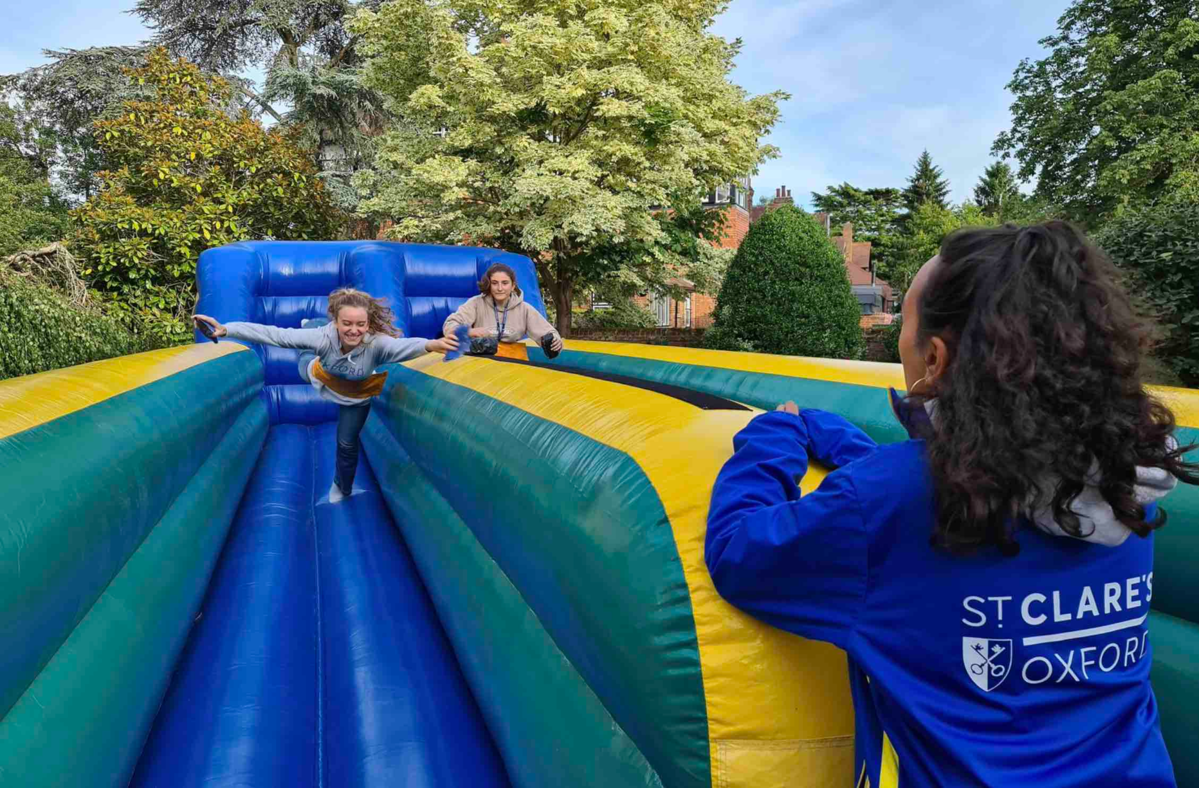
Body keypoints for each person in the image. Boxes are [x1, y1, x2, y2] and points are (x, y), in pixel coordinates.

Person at [705, 222, 1197, 787]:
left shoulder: (888, 501)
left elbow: (739, 550)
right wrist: (847, 445)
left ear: (935, 358)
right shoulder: (1126, 480)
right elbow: (968, 487)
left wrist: (774, 437)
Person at [194, 288, 458, 504]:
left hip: (354, 393)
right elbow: (275, 334)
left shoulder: (376, 344)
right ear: (336, 322)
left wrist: (431, 344)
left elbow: (404, 345)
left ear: (368, 324)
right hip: (321, 373)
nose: (354, 330)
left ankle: (343, 486)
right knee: (305, 359)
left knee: (347, 443)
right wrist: (227, 329)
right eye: (347, 324)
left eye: (361, 324)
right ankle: (311, 326)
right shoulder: (323, 337)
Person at [443, 263, 564, 353]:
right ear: (489, 285)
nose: (500, 288)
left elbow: (548, 333)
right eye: (494, 283)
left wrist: (555, 341)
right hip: (481, 360)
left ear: (513, 286)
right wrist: (469, 331)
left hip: (513, 361)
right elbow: (450, 325)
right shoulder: (476, 303)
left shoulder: (524, 309)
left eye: (505, 283)